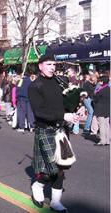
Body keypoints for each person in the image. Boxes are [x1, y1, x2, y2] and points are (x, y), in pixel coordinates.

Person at [28, 54, 84, 212]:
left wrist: (76, 107)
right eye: (48, 64)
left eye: (54, 64)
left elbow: (66, 102)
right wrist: (63, 115)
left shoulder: (60, 82)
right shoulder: (35, 86)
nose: (52, 67)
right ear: (40, 66)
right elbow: (39, 112)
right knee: (50, 171)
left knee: (61, 168)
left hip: (61, 130)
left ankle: (55, 202)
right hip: (45, 130)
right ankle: (37, 186)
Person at [92, 75, 110, 146]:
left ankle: (102, 141)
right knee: (107, 125)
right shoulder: (109, 89)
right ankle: (107, 140)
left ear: (102, 82)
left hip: (100, 109)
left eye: (100, 81)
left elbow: (95, 99)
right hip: (108, 108)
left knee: (101, 125)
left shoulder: (100, 90)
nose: (99, 82)